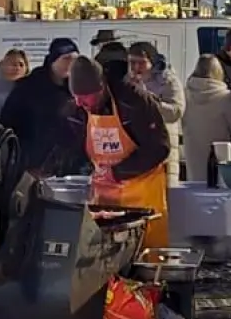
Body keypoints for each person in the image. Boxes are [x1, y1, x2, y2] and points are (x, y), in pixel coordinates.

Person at [71, 55, 172, 248]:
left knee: (144, 252)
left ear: (100, 89)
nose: (78, 103)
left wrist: (118, 171)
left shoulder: (134, 101)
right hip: (104, 199)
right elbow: (75, 146)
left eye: (84, 97)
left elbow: (160, 148)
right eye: (76, 96)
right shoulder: (79, 108)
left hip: (142, 193)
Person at [1, 38, 87, 177]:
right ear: (53, 60)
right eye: (66, 59)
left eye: (75, 59)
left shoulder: (77, 88)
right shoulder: (29, 86)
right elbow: (8, 124)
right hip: (32, 165)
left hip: (70, 168)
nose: (71, 64)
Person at [130, 42, 186, 184]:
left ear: (152, 62)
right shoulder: (127, 81)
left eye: (141, 63)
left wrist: (150, 101)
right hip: (136, 149)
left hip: (163, 148)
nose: (136, 67)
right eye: (132, 62)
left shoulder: (167, 80)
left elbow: (176, 111)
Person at [182, 54, 231, 177]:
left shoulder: (185, 93)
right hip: (218, 151)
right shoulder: (225, 96)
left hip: (192, 148)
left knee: (195, 182)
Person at [0, 49, 28, 123]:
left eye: (21, 65)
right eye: (13, 64)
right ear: (2, 65)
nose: (17, 68)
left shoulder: (31, 92)